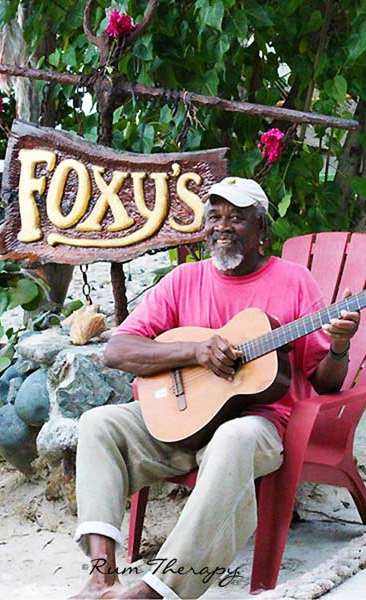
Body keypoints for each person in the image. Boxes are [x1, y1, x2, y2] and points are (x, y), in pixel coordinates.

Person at [71, 177, 360, 600]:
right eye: (215, 216)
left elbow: (325, 382)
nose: (222, 226)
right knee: (98, 424)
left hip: (260, 425)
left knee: (231, 437)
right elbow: (118, 350)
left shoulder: (295, 282)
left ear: (263, 230)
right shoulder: (183, 280)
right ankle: (101, 575)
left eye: (237, 218)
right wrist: (194, 352)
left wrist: (338, 346)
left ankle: (157, 593)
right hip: (183, 421)